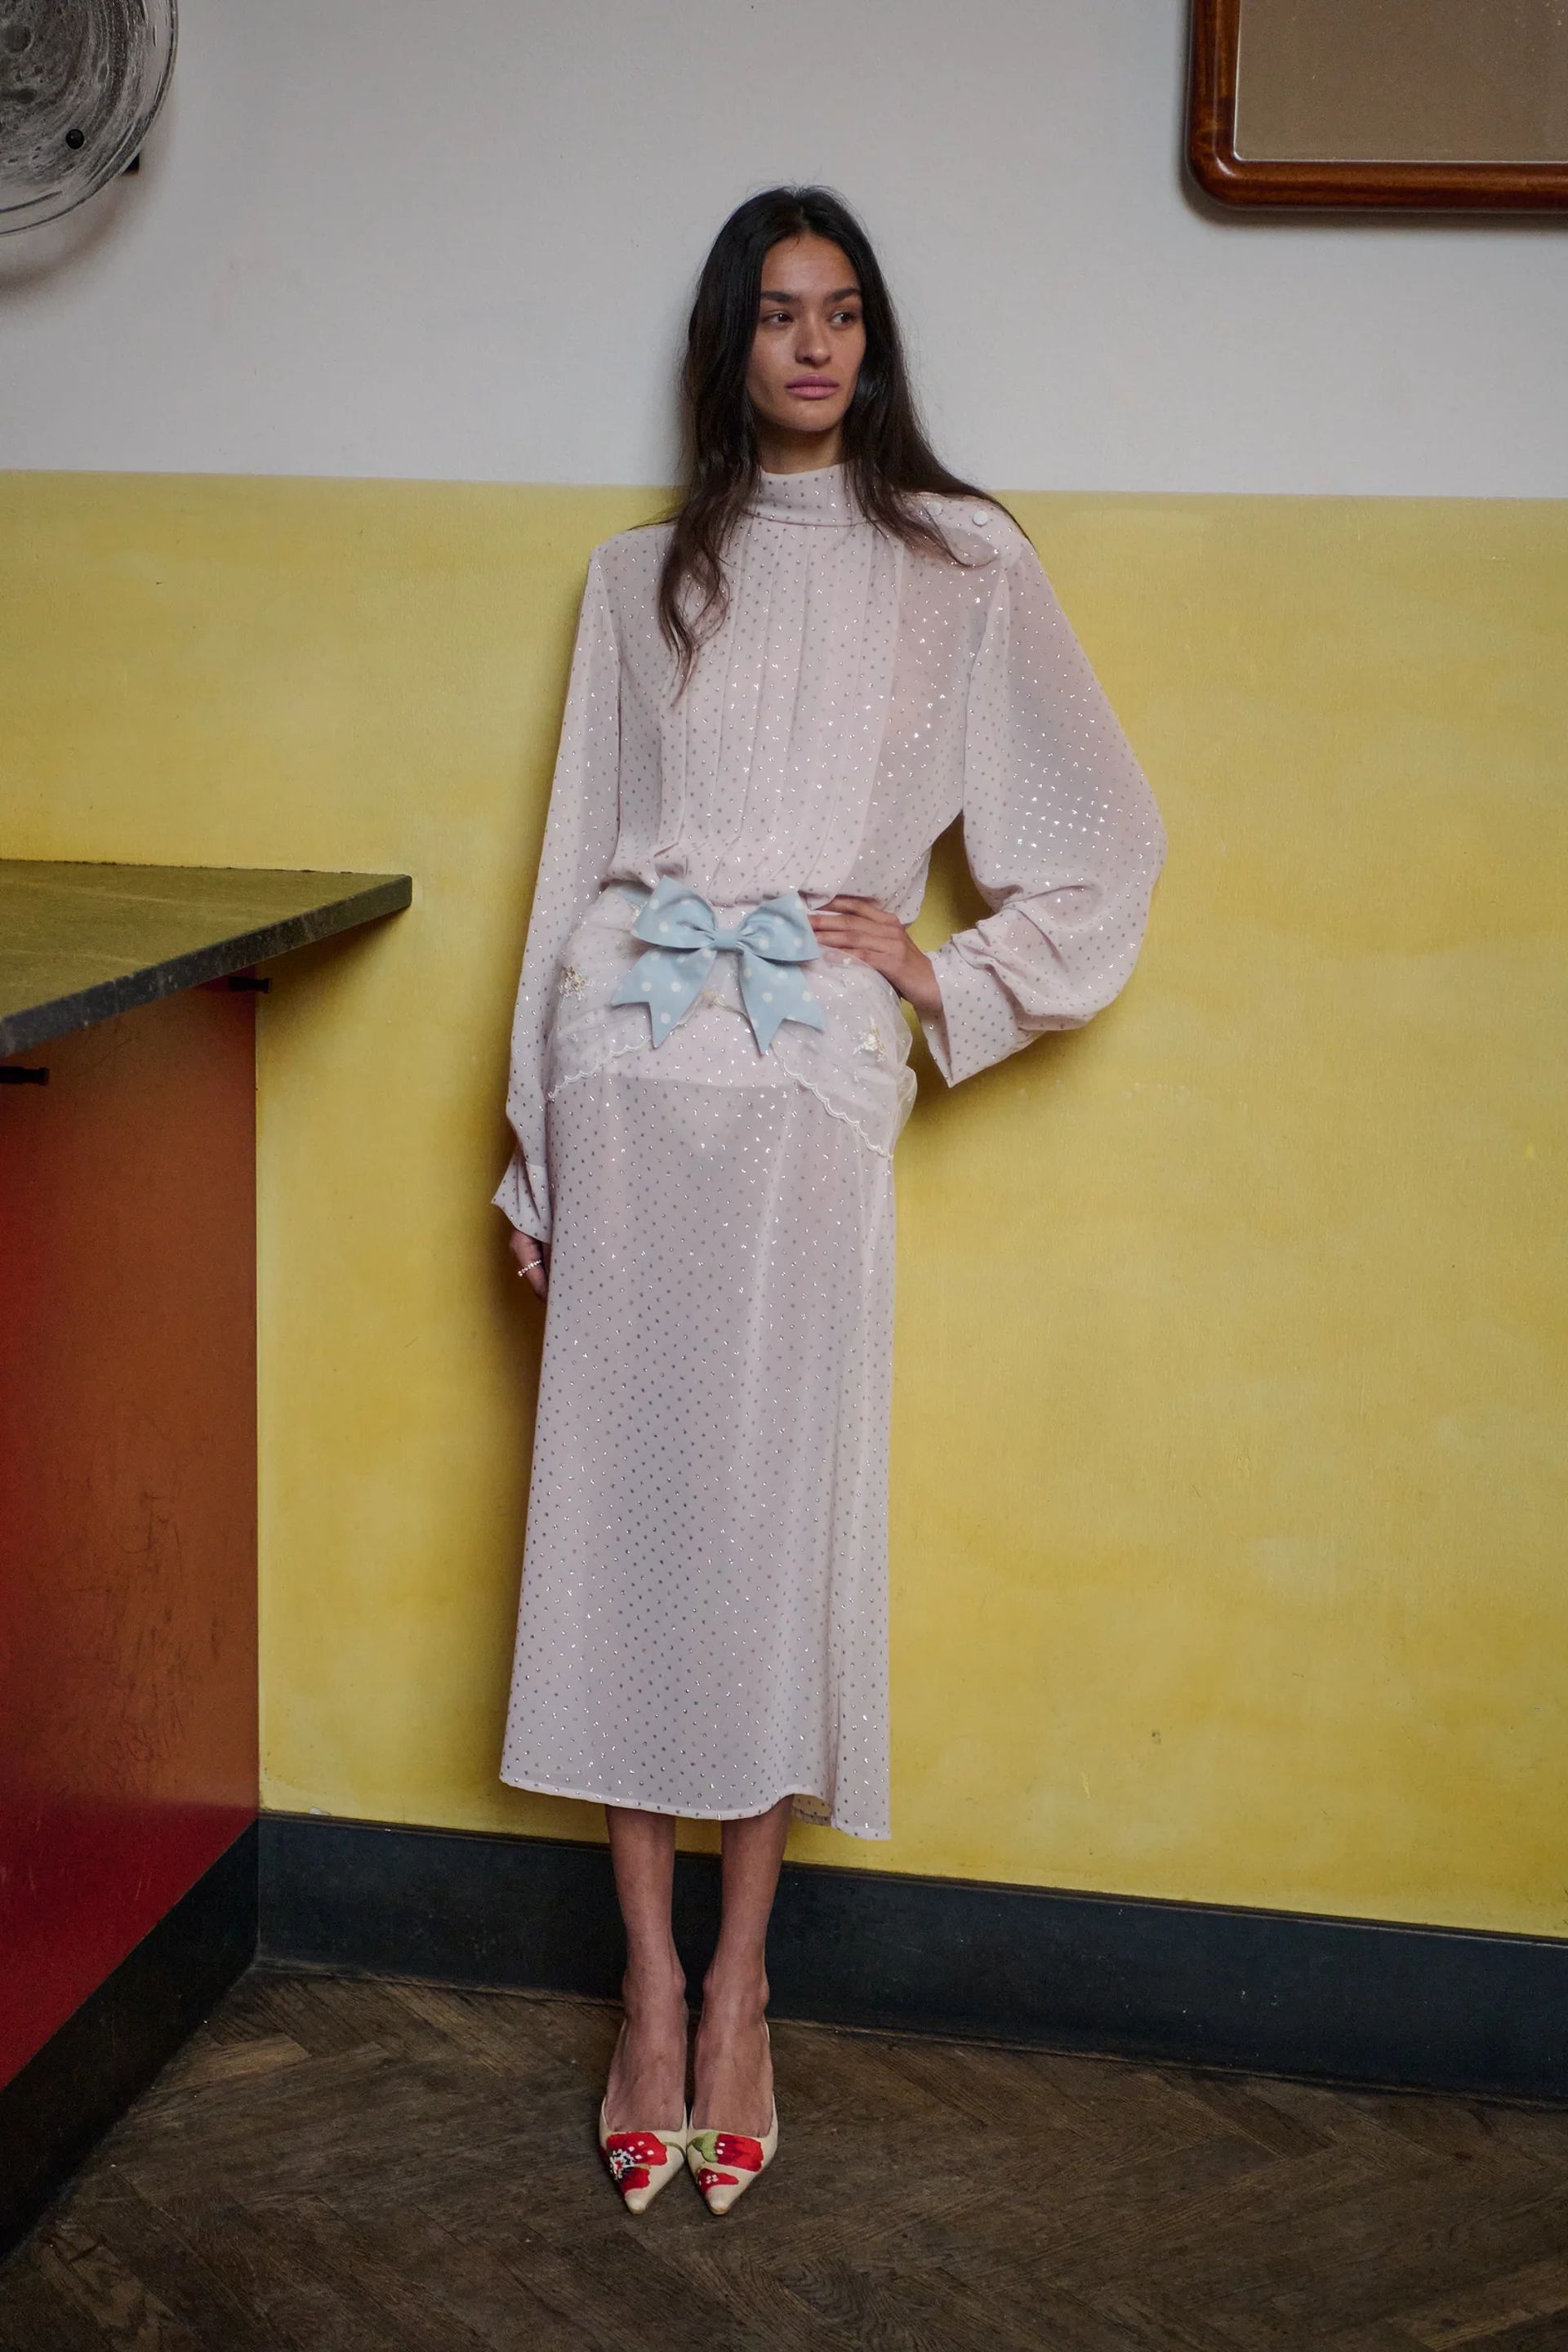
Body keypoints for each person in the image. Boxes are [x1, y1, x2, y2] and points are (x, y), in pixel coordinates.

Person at [491, 185, 1165, 2215]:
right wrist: (533, 1127)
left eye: (845, 314)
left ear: (874, 346)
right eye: (779, 314)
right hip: (632, 1077)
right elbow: (571, 866)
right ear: (731, 342)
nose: (813, 346)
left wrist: (940, 969)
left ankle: (746, 1992)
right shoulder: (636, 579)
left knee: (774, 1527)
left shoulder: (962, 566)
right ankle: (640, 1987)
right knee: (620, 1521)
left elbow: (1100, 842)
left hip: (807, 1096)